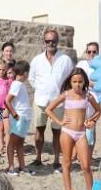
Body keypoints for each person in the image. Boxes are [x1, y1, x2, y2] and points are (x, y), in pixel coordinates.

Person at [46, 68, 101, 190]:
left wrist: (93, 120)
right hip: (67, 132)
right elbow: (48, 109)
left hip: (81, 133)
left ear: (84, 82)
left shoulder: (88, 96)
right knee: (67, 163)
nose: (77, 84)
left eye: (80, 82)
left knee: (86, 166)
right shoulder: (66, 95)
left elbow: (99, 110)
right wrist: (58, 121)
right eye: (74, 81)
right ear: (70, 82)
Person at [28, 29, 74, 172]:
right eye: (48, 41)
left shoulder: (65, 60)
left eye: (53, 40)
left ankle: (56, 160)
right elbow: (31, 78)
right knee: (39, 130)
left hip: (58, 103)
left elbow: (70, 79)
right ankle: (38, 158)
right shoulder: (37, 60)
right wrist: (41, 89)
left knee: (57, 132)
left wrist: (63, 93)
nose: (50, 43)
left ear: (57, 41)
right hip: (40, 101)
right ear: (44, 42)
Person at [5, 60, 32, 176]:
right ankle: (11, 167)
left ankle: (22, 166)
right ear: (25, 73)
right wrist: (14, 113)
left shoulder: (20, 84)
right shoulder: (16, 84)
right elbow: (7, 100)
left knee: (20, 143)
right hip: (19, 118)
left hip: (24, 117)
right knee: (12, 143)